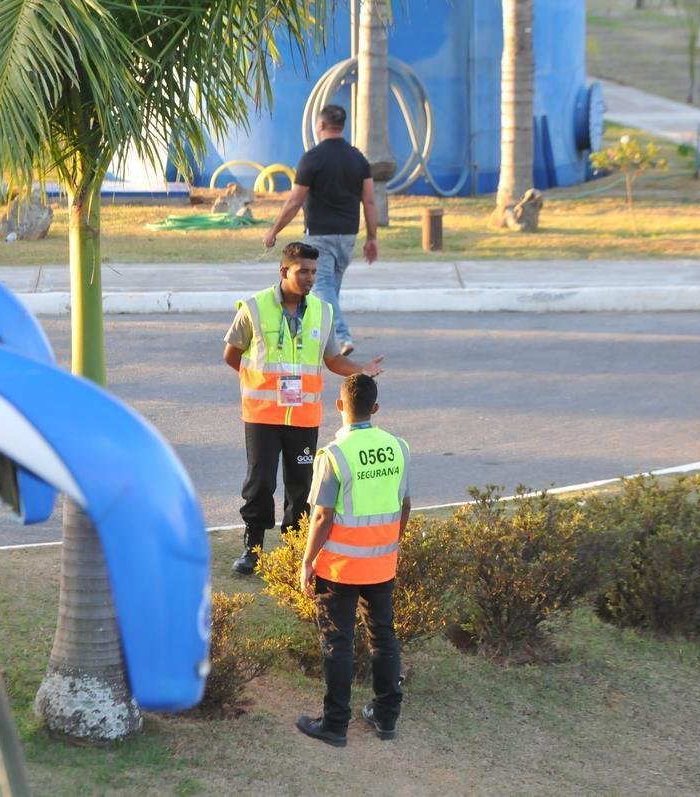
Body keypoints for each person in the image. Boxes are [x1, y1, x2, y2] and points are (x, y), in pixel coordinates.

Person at [224, 242, 384, 576]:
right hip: (262, 417)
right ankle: (252, 550)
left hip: (303, 417)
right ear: (284, 271)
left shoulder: (323, 312)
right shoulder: (254, 308)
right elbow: (232, 354)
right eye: (303, 272)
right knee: (260, 482)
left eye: (313, 272)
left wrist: (361, 370)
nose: (310, 278)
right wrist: (257, 382)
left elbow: (333, 359)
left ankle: (296, 550)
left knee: (301, 485)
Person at [296, 374, 410, 747]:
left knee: (338, 643)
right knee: (384, 637)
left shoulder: (334, 455)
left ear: (339, 405)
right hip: (382, 565)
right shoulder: (398, 448)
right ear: (375, 409)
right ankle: (386, 716)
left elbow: (321, 517)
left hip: (340, 568)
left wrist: (307, 560)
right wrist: (392, 543)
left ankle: (335, 724)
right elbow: (404, 505)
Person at [263, 104, 378, 357]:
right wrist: (371, 238)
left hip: (320, 236)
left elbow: (294, 201)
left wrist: (273, 231)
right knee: (328, 291)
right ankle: (323, 343)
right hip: (348, 236)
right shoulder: (358, 159)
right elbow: (369, 200)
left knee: (322, 288)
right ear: (342, 126)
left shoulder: (312, 158)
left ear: (320, 125)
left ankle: (342, 336)